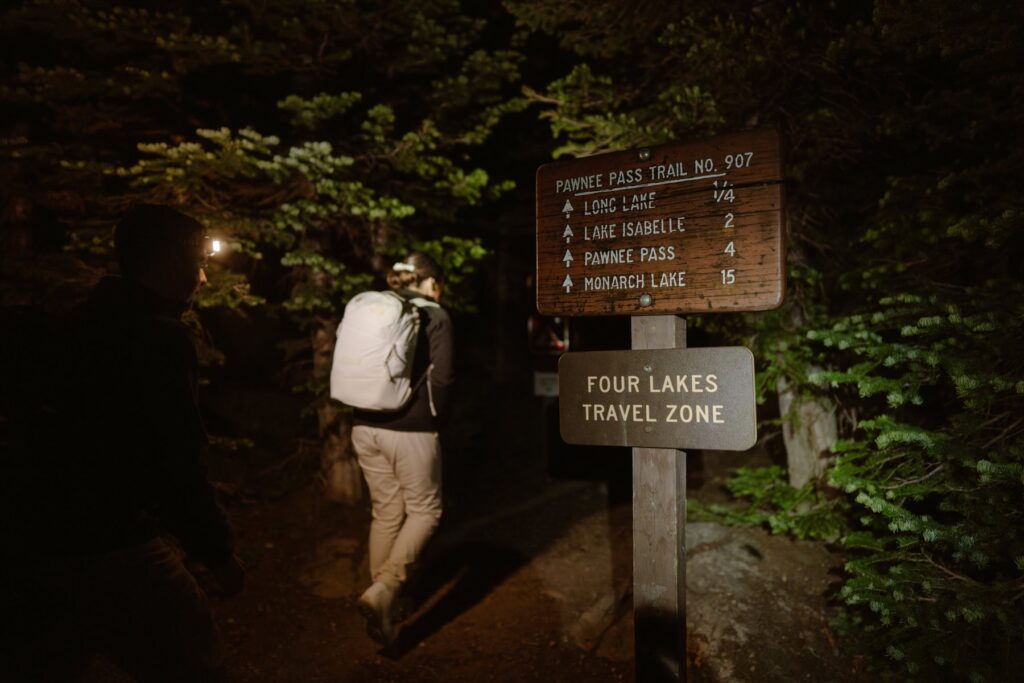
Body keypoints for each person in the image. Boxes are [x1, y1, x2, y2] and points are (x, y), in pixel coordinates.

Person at [0, 204, 244, 682]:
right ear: (170, 260)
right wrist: (218, 552)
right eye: (197, 262)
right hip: (113, 542)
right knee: (197, 661)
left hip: (40, 537)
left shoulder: (81, 321)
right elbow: (178, 461)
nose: (202, 276)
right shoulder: (159, 340)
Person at [351, 252, 454, 646]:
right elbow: (442, 379)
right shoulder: (436, 315)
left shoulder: (376, 308)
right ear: (429, 282)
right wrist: (438, 421)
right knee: (426, 510)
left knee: (387, 511)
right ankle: (386, 589)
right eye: (439, 285)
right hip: (410, 432)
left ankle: (384, 608)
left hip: (364, 426)